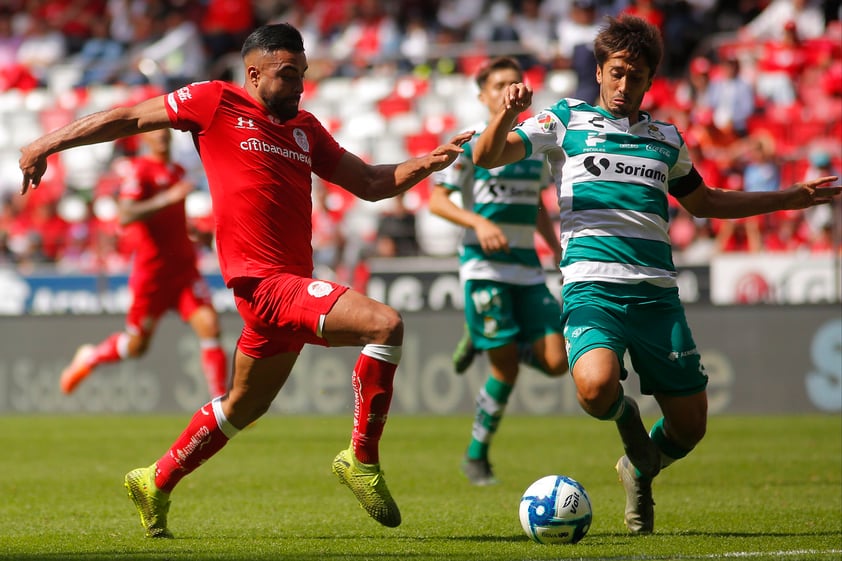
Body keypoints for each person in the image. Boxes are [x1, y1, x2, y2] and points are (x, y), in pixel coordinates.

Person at [19, 23, 472, 538]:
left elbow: (368, 182)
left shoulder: (305, 127)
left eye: (301, 74)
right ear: (253, 72)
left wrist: (428, 162)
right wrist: (46, 143)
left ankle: (154, 479)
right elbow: (127, 117)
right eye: (287, 74)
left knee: (243, 406)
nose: (298, 85)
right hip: (264, 284)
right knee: (385, 325)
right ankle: (361, 459)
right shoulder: (215, 102)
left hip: (288, 285)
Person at [471, 15, 840, 535]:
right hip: (592, 289)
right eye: (617, 72)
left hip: (657, 298)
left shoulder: (665, 138)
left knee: (690, 428)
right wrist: (505, 117)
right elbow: (487, 157)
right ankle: (629, 429)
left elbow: (705, 202)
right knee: (596, 389)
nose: (625, 86)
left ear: (650, 81)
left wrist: (789, 197)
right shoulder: (564, 121)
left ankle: (638, 467)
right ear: (599, 70)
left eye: (637, 77)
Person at [430, 56, 568, 486]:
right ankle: (476, 456)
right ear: (484, 95)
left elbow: (537, 208)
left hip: (527, 268)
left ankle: (490, 336)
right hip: (484, 266)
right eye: (500, 84)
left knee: (557, 362)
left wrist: (557, 248)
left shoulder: (533, 144)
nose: (510, 89)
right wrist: (479, 222)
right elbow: (437, 201)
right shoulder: (471, 144)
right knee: (504, 369)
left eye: (517, 82)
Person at [57, 128, 229, 399]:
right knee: (136, 347)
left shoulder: (178, 171)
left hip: (184, 269)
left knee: (210, 326)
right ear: (144, 140)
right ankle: (90, 358)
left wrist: (195, 232)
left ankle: (221, 404)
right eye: (154, 132)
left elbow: (171, 219)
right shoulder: (140, 171)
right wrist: (167, 198)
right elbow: (125, 215)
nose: (161, 136)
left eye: (165, 132)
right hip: (153, 275)